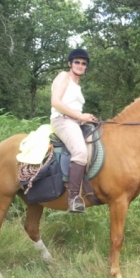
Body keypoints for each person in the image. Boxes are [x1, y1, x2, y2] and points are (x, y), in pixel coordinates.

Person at [50, 48, 97, 213]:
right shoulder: (64, 76)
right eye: (77, 62)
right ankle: (73, 198)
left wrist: (86, 118)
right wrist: (79, 116)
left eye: (84, 63)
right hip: (62, 120)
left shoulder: (77, 85)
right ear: (70, 63)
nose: (80, 65)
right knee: (80, 152)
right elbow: (55, 102)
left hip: (75, 121)